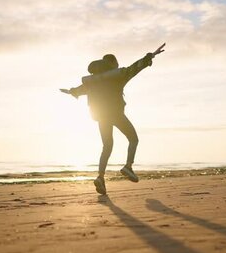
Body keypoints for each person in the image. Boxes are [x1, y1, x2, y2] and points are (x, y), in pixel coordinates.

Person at [60, 43, 166, 194]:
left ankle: (100, 177)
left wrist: (71, 91)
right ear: (112, 64)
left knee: (107, 146)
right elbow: (135, 68)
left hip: (100, 116)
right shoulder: (118, 76)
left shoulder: (93, 81)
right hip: (115, 113)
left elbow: (80, 90)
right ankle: (128, 166)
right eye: (116, 63)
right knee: (133, 138)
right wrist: (151, 56)